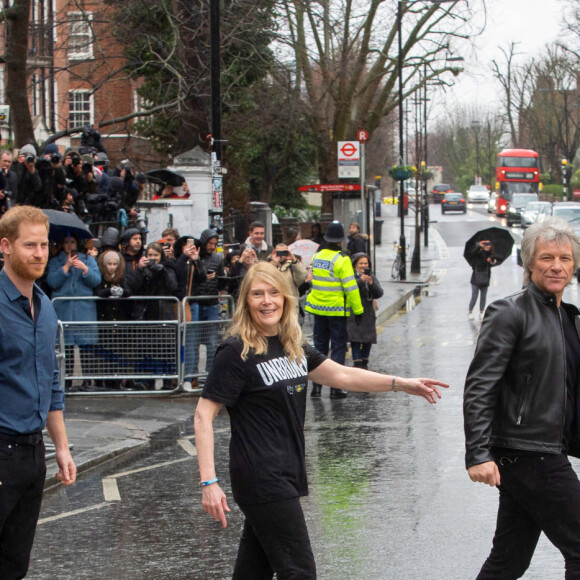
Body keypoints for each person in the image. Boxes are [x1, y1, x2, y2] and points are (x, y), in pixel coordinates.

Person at [194, 262, 448, 579]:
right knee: (299, 571)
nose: (267, 301)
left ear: (286, 298)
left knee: (254, 570)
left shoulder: (292, 345)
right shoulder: (236, 352)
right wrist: (209, 482)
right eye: (257, 294)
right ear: (246, 301)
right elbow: (204, 415)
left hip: (287, 471)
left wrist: (401, 383)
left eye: (274, 292)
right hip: (261, 476)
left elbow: (342, 374)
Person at [464, 217, 580, 579]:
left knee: (509, 559)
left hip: (544, 448)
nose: (557, 266)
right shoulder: (510, 312)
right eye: (547, 258)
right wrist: (478, 453)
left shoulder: (567, 317)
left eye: (565, 258)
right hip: (528, 451)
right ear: (530, 263)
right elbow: (480, 386)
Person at [0, 206, 76, 578]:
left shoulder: (45, 307)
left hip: (32, 453)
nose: (39, 254)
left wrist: (61, 447)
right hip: (1, 446)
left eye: (44, 245)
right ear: (5, 246)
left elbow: (52, 381)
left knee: (15, 564)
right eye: (29, 245)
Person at [305, 220, 363, 398]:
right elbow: (351, 287)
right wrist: (358, 310)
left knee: (319, 348)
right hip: (337, 311)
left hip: (318, 309)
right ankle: (336, 387)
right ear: (340, 241)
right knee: (338, 348)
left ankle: (316, 387)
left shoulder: (317, 257)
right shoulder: (342, 260)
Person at [47, 235, 101, 392]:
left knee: (87, 347)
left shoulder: (88, 259)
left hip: (84, 310)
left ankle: (87, 381)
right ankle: (67, 380)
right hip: (64, 310)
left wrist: (85, 269)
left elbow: (96, 280)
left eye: (72, 242)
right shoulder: (55, 261)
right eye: (66, 242)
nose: (69, 246)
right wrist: (65, 267)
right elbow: (52, 281)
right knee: (67, 347)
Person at [347, 253, 383, 369]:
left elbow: (379, 293)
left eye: (365, 263)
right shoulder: (351, 276)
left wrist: (372, 284)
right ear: (355, 265)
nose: (363, 266)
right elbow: (348, 289)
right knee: (355, 339)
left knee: (368, 339)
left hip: (368, 313)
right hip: (354, 313)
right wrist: (361, 281)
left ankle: (365, 362)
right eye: (361, 263)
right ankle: (357, 364)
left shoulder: (371, 276)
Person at [467, 239, 497, 321]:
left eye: (488, 245)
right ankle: (470, 312)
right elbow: (473, 253)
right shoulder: (478, 253)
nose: (487, 246)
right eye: (485, 245)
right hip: (476, 279)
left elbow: (495, 260)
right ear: (482, 246)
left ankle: (481, 312)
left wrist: (491, 259)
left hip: (485, 278)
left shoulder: (491, 255)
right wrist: (478, 246)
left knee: (483, 297)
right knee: (474, 296)